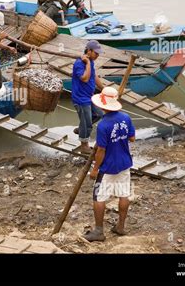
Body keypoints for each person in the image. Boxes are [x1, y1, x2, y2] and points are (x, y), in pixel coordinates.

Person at [84, 86, 136, 242]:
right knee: (123, 194)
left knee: (99, 197)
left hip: (108, 167)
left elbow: (101, 151)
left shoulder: (103, 125)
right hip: (125, 163)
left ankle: (99, 232)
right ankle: (120, 226)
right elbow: (132, 138)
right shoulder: (126, 117)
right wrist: (120, 138)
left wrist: (95, 169)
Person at [72, 40, 105, 154]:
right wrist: (86, 63)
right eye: (96, 53)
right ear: (89, 51)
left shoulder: (90, 61)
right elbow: (85, 78)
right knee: (87, 123)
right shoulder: (79, 64)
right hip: (81, 98)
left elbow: (94, 76)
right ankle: (84, 146)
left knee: (99, 114)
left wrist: (103, 89)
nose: (97, 56)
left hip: (89, 96)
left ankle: (81, 129)